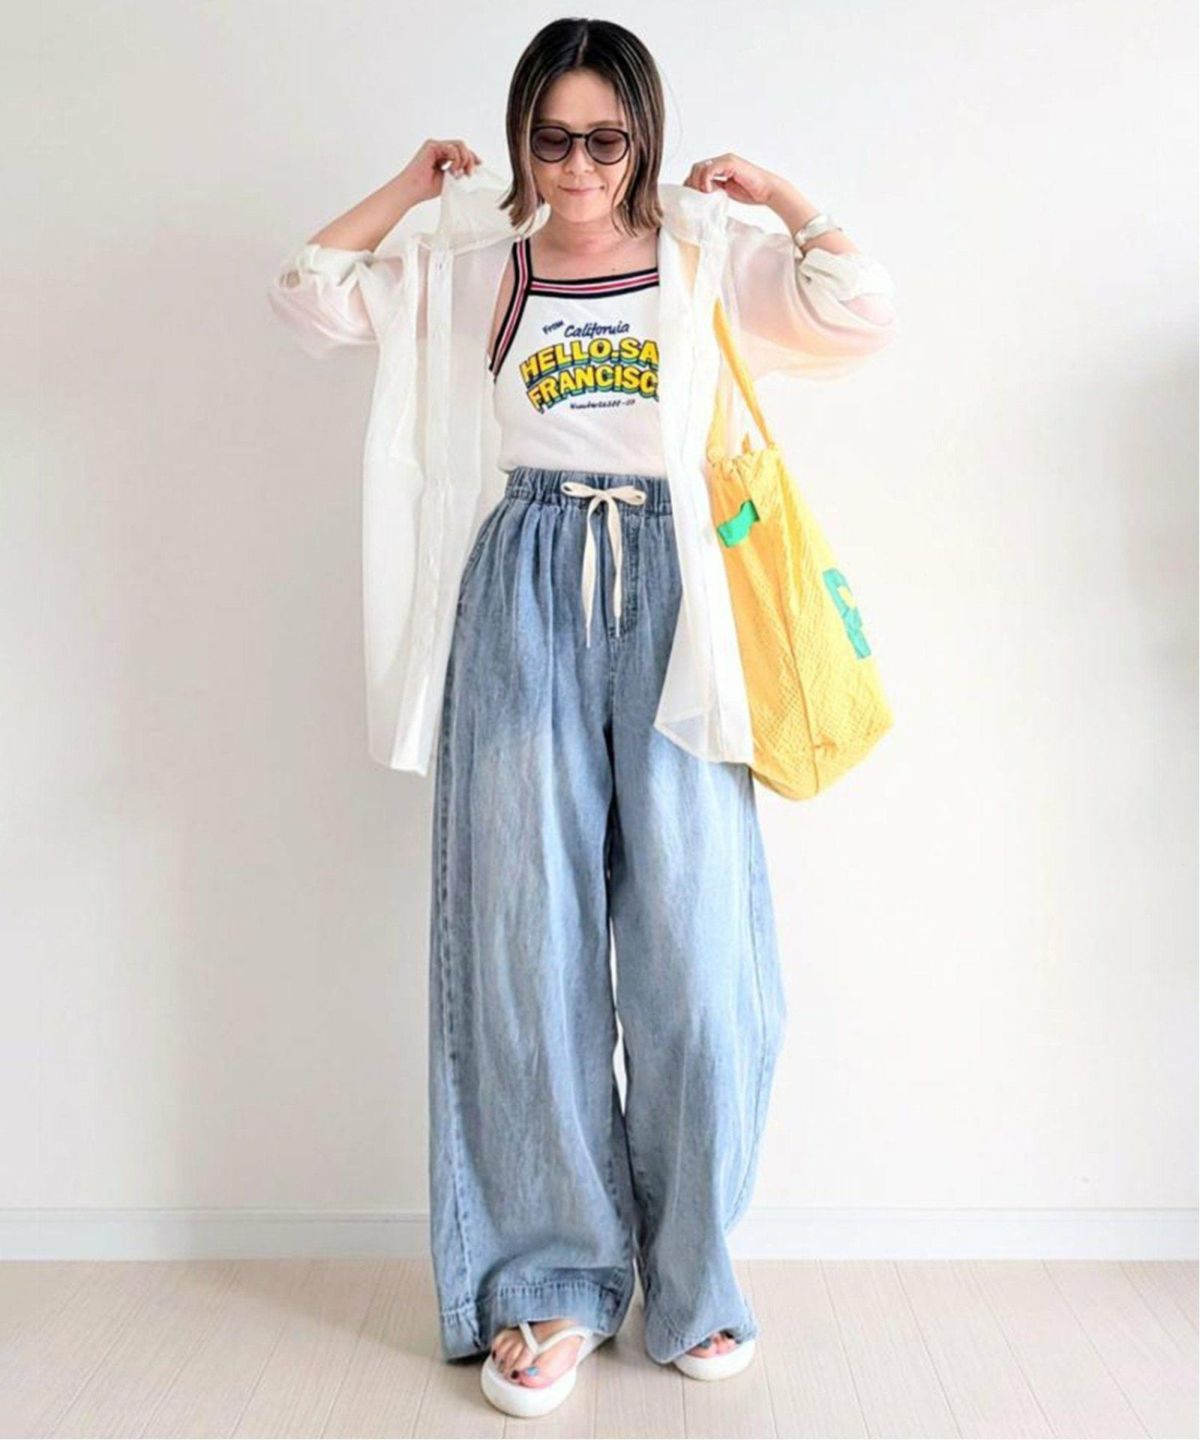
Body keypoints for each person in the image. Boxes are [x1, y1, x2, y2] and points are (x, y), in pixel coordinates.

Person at [268, 16, 896, 1420]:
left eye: (606, 139)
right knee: (524, 944)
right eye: (551, 138)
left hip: (680, 596)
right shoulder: (479, 268)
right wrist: (408, 187)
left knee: (699, 956)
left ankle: (691, 1276)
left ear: (644, 139)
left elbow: (858, 309)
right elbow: (311, 294)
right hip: (525, 587)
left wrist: (778, 196)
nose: (577, 167)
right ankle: (549, 1282)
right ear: (520, 141)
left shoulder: (701, 259)